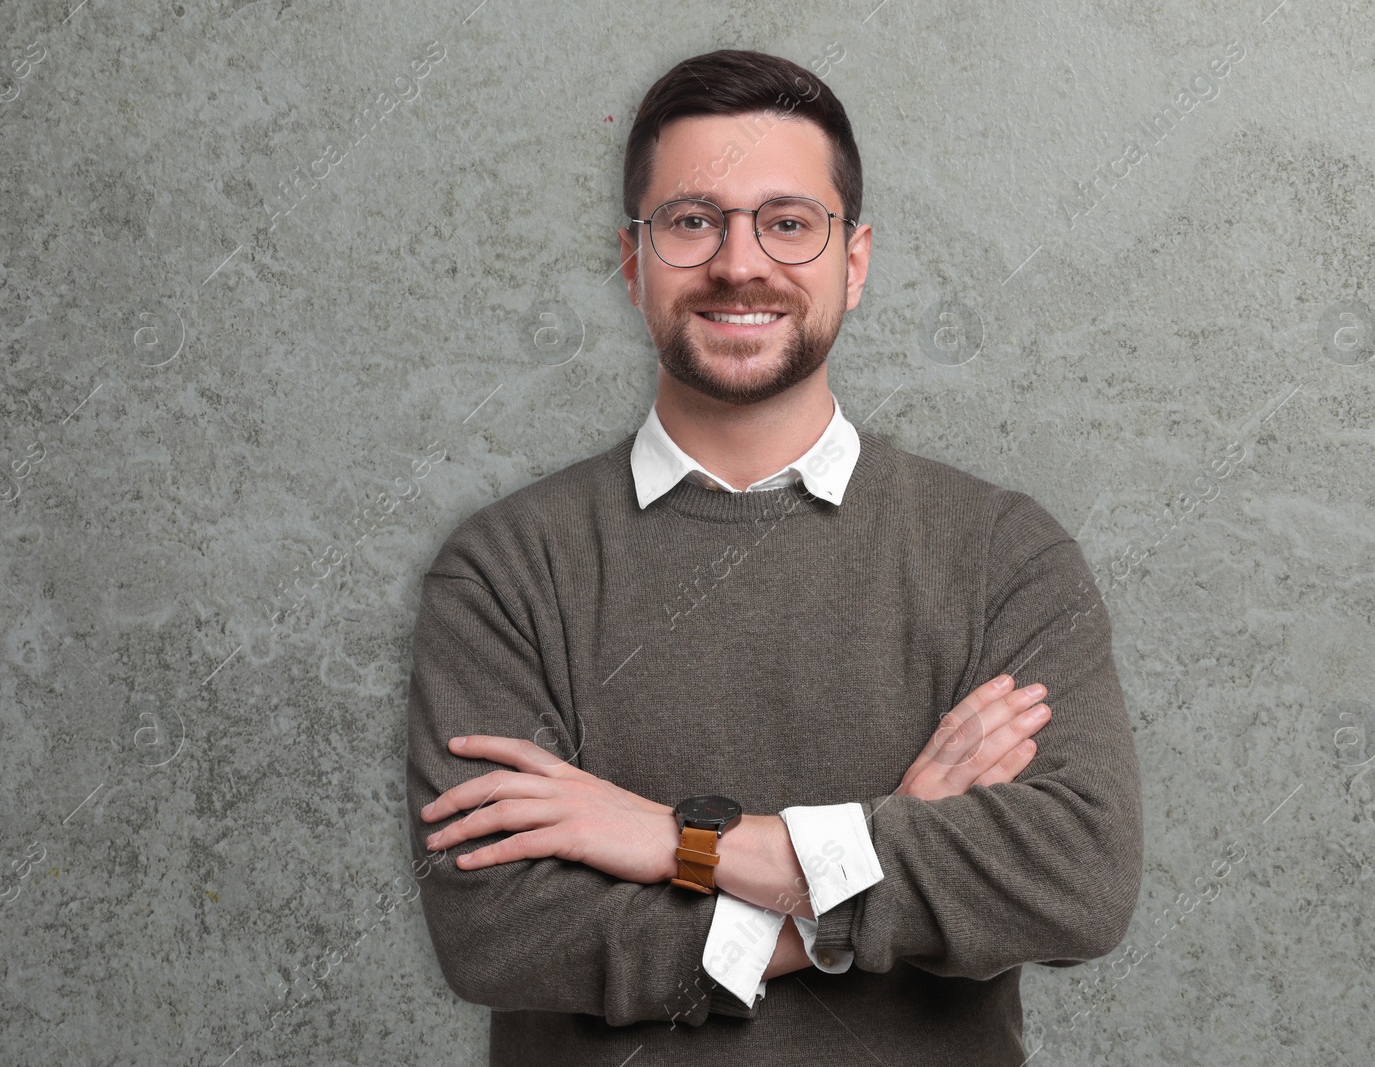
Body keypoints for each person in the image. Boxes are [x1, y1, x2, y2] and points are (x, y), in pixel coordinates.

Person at [405, 48, 1142, 1066]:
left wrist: (675, 840)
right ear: (633, 262)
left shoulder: (999, 555)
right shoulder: (502, 570)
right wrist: (864, 866)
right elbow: (500, 932)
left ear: (855, 259)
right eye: (692, 220)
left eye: (788, 222)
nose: (740, 262)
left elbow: (1073, 879)